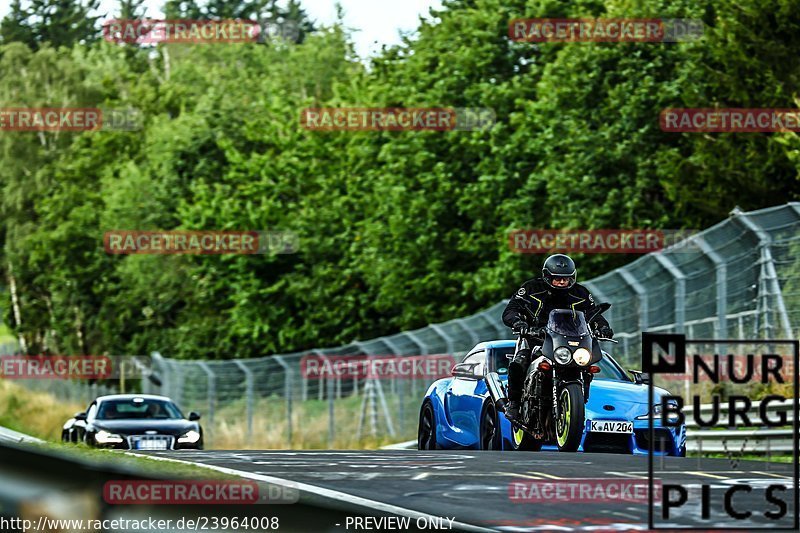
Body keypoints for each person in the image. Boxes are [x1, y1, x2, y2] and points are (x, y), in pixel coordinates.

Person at [501, 254, 613, 421]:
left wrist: (603, 327)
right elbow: (511, 309)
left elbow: (592, 313)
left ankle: (579, 397)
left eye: (566, 279)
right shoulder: (531, 288)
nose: (562, 282)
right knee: (519, 362)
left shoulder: (580, 293)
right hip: (536, 338)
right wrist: (519, 323)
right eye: (557, 279)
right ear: (547, 276)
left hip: (570, 340)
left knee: (588, 364)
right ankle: (514, 402)